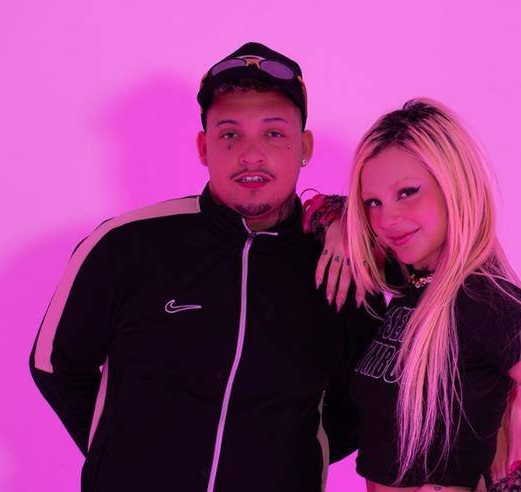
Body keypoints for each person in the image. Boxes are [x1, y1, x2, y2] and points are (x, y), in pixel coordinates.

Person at [29, 42, 377, 492]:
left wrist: (288, 460)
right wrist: (122, 461)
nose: (251, 155)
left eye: (274, 134)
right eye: (229, 135)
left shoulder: (340, 266)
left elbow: (368, 398)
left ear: (304, 146)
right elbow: (56, 365)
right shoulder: (124, 245)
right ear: (203, 147)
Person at [313, 99, 521, 491]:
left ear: (454, 187)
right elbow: (325, 212)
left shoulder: (486, 301)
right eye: (372, 202)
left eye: (407, 192)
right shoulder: (413, 287)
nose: (387, 219)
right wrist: (340, 224)